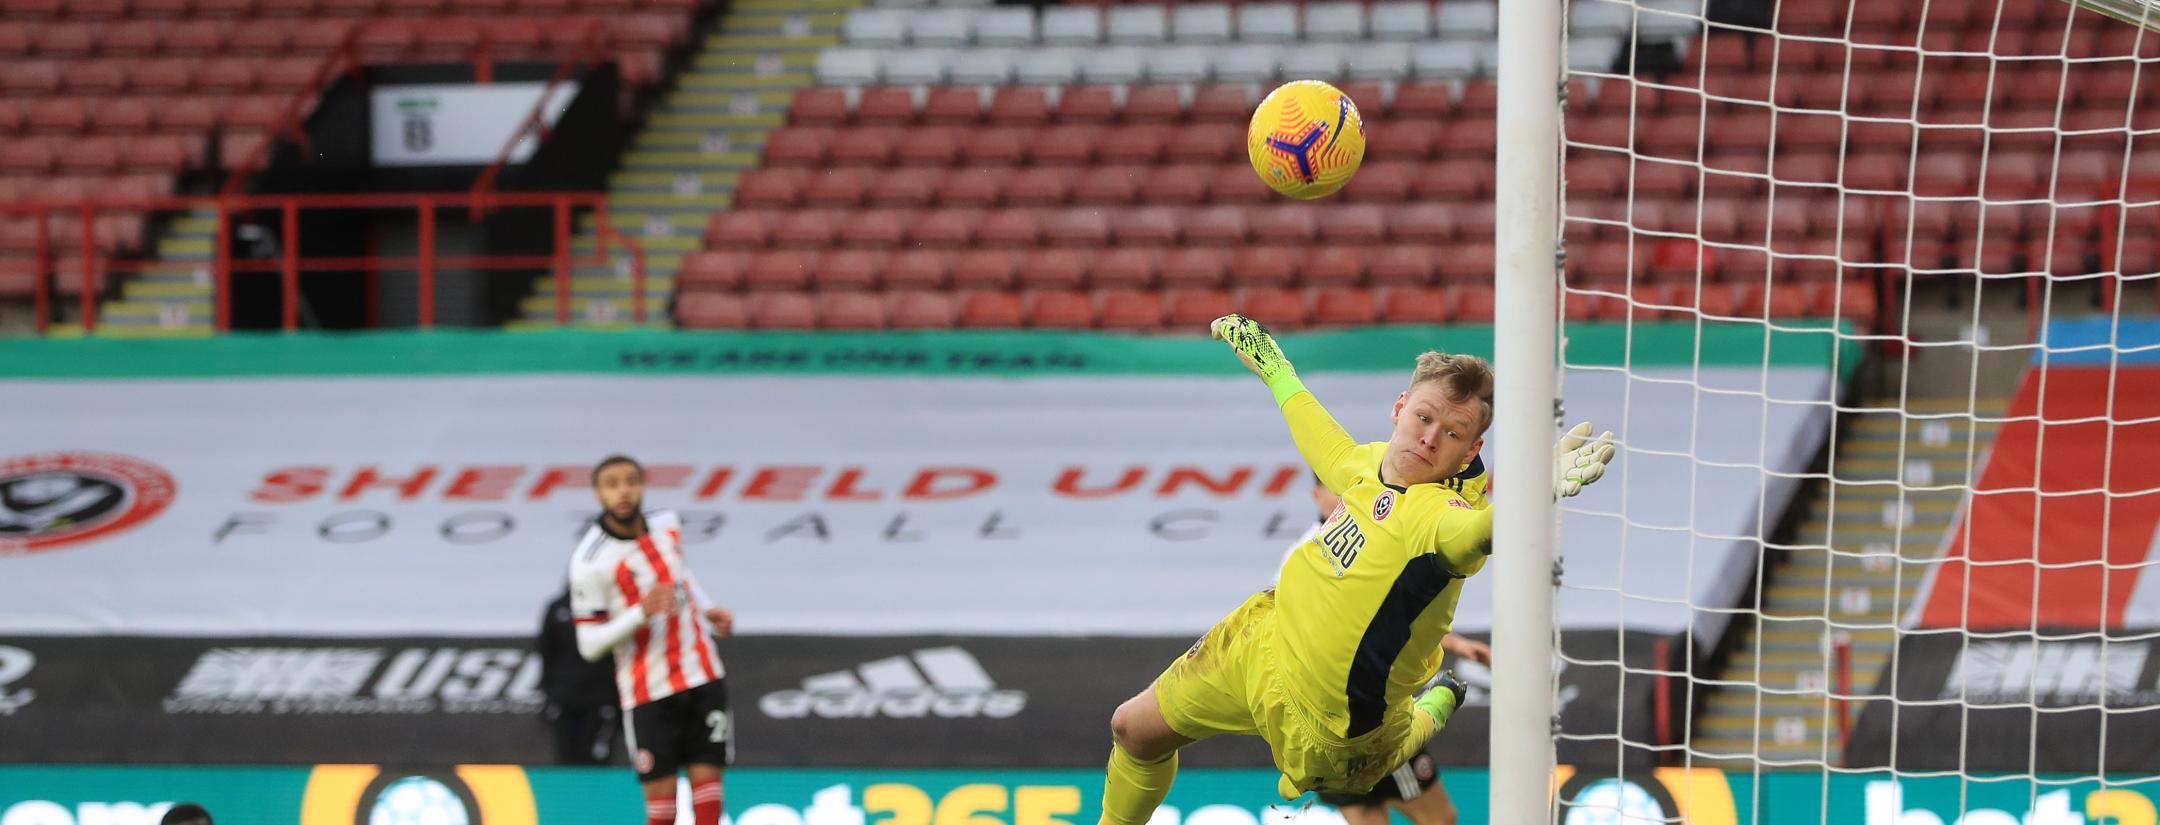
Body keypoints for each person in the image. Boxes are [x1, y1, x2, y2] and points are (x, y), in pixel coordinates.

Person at [1096, 314, 1614, 822]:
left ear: (1471, 451)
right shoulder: (1367, 464)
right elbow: (1318, 434)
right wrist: (1274, 366)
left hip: (1330, 729)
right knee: (1131, 728)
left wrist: (1530, 491)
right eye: (1424, 417)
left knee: (1395, 796)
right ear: (1400, 407)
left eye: (1453, 434)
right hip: (1261, 643)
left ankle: (1429, 712)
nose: (1431, 437)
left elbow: (1481, 532)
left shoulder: (1441, 518)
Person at [1281, 475, 1490, 825]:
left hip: (1334, 716)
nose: (1343, 496)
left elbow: (1389, 615)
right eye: (1334, 488)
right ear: (1316, 495)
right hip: (1362, 712)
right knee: (1438, 819)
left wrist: (1456, 643)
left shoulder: (1371, 536)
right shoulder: (1304, 556)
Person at [569, 455, 738, 825]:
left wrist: (707, 610)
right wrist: (639, 613)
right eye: (612, 484)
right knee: (662, 812)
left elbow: (680, 574)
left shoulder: (667, 524)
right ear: (598, 493)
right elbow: (589, 644)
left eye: (631, 481)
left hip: (702, 671)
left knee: (709, 801)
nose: (623, 491)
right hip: (649, 691)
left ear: (643, 485)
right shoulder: (589, 561)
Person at [538, 586, 624, 764]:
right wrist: (549, 693)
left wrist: (616, 699)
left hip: (601, 699)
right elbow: (546, 651)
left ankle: (599, 792)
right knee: (566, 755)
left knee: (597, 756)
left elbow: (620, 654)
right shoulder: (558, 608)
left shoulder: (612, 609)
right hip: (565, 698)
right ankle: (565, 791)